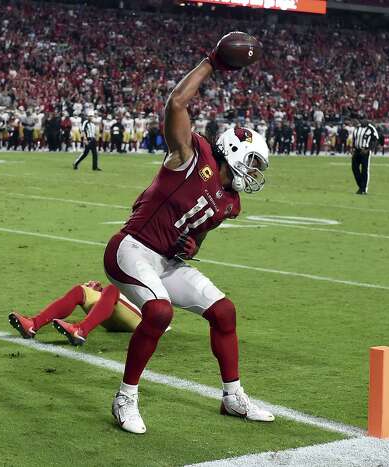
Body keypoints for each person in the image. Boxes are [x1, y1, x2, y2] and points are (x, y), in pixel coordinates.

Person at [103, 36, 274, 434]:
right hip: (131, 250)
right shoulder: (191, 155)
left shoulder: (230, 202)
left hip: (166, 261)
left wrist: (193, 246)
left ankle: (233, 396)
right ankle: (125, 398)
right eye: (251, 161)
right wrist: (213, 61)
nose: (253, 171)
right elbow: (176, 104)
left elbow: (192, 239)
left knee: (224, 311)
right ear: (231, 150)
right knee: (159, 313)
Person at [8, 281, 143, 346]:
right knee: (81, 290)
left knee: (112, 289)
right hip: (124, 308)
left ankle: (81, 331)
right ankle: (33, 324)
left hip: (143, 318)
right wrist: (101, 293)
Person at [352, 116, 379, 195]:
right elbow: (354, 139)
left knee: (364, 170)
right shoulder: (357, 128)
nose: (363, 121)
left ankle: (363, 189)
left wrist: (368, 149)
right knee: (354, 168)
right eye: (362, 120)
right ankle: (361, 186)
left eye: (364, 120)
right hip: (357, 150)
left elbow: (375, 139)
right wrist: (353, 149)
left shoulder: (371, 128)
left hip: (365, 151)